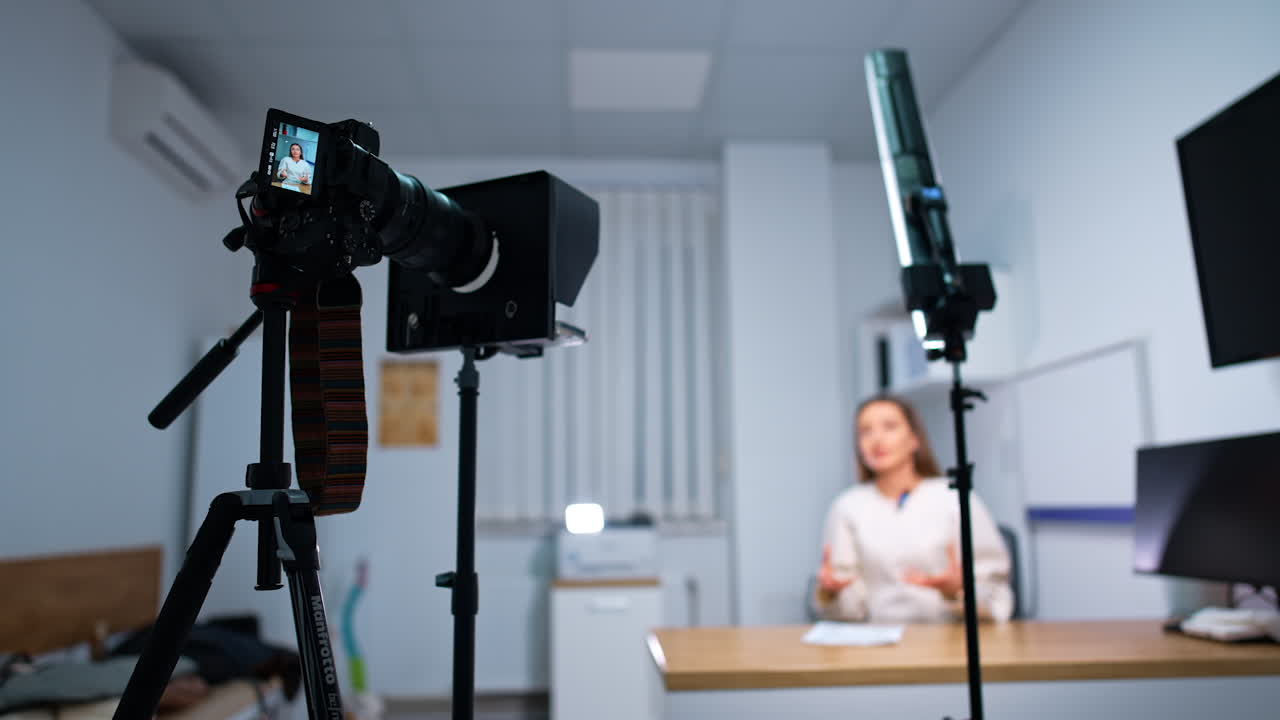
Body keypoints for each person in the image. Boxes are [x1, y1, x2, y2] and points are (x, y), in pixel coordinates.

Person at [815, 395, 1014, 623]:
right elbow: (846, 611)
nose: (877, 439)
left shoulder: (954, 497)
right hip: (877, 643)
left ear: (914, 438)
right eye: (865, 431)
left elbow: (996, 593)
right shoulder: (848, 506)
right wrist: (831, 594)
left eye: (889, 427)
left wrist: (958, 592)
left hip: (949, 641)